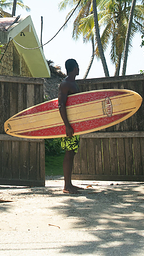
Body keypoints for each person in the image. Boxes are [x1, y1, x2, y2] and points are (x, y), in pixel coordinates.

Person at [58, 59, 82, 194]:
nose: (79, 69)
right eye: (77, 67)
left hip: (74, 125)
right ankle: (66, 186)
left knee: (72, 152)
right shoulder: (65, 84)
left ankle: (70, 183)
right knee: (68, 153)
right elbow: (61, 105)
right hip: (68, 125)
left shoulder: (73, 83)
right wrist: (67, 125)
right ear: (74, 68)